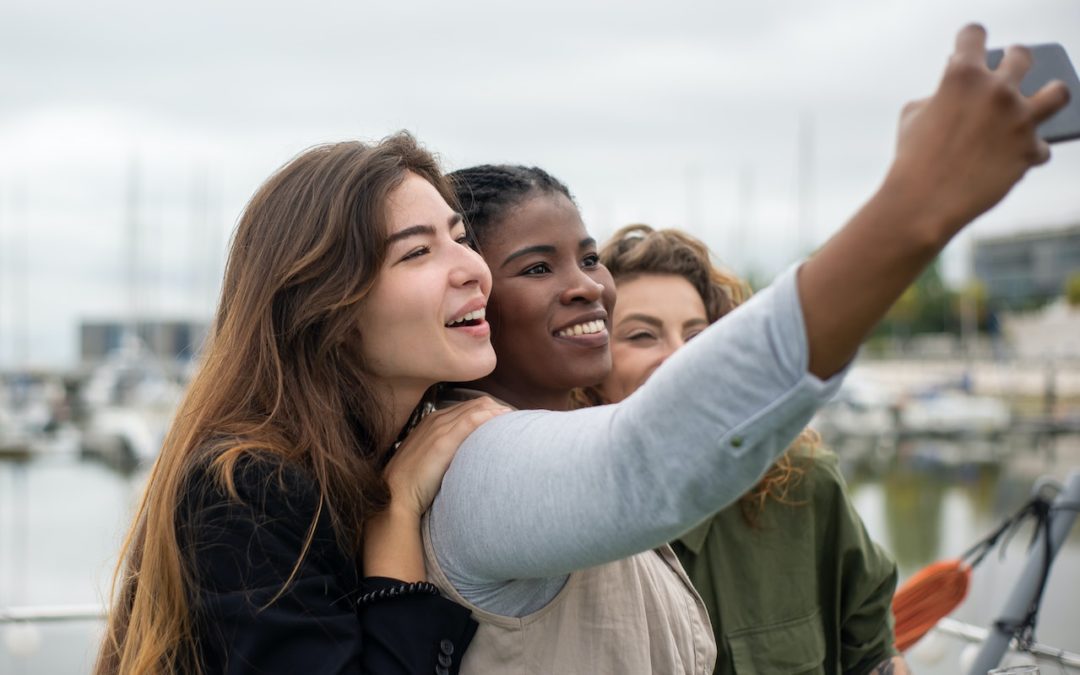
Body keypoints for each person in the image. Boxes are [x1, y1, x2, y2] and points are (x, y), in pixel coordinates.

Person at [416, 26, 1067, 673]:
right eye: (537, 268)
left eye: (589, 259)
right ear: (469, 298)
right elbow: (643, 461)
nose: (587, 286)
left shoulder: (553, 450)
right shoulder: (481, 473)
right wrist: (922, 200)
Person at [95, 135, 511, 674]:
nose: (474, 269)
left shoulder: (357, 458)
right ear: (327, 309)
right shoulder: (248, 486)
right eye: (417, 252)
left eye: (460, 238)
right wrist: (398, 510)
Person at [584, 223, 907, 675]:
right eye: (642, 335)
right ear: (591, 367)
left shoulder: (802, 482)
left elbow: (874, 654)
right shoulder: (569, 522)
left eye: (698, 338)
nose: (681, 359)